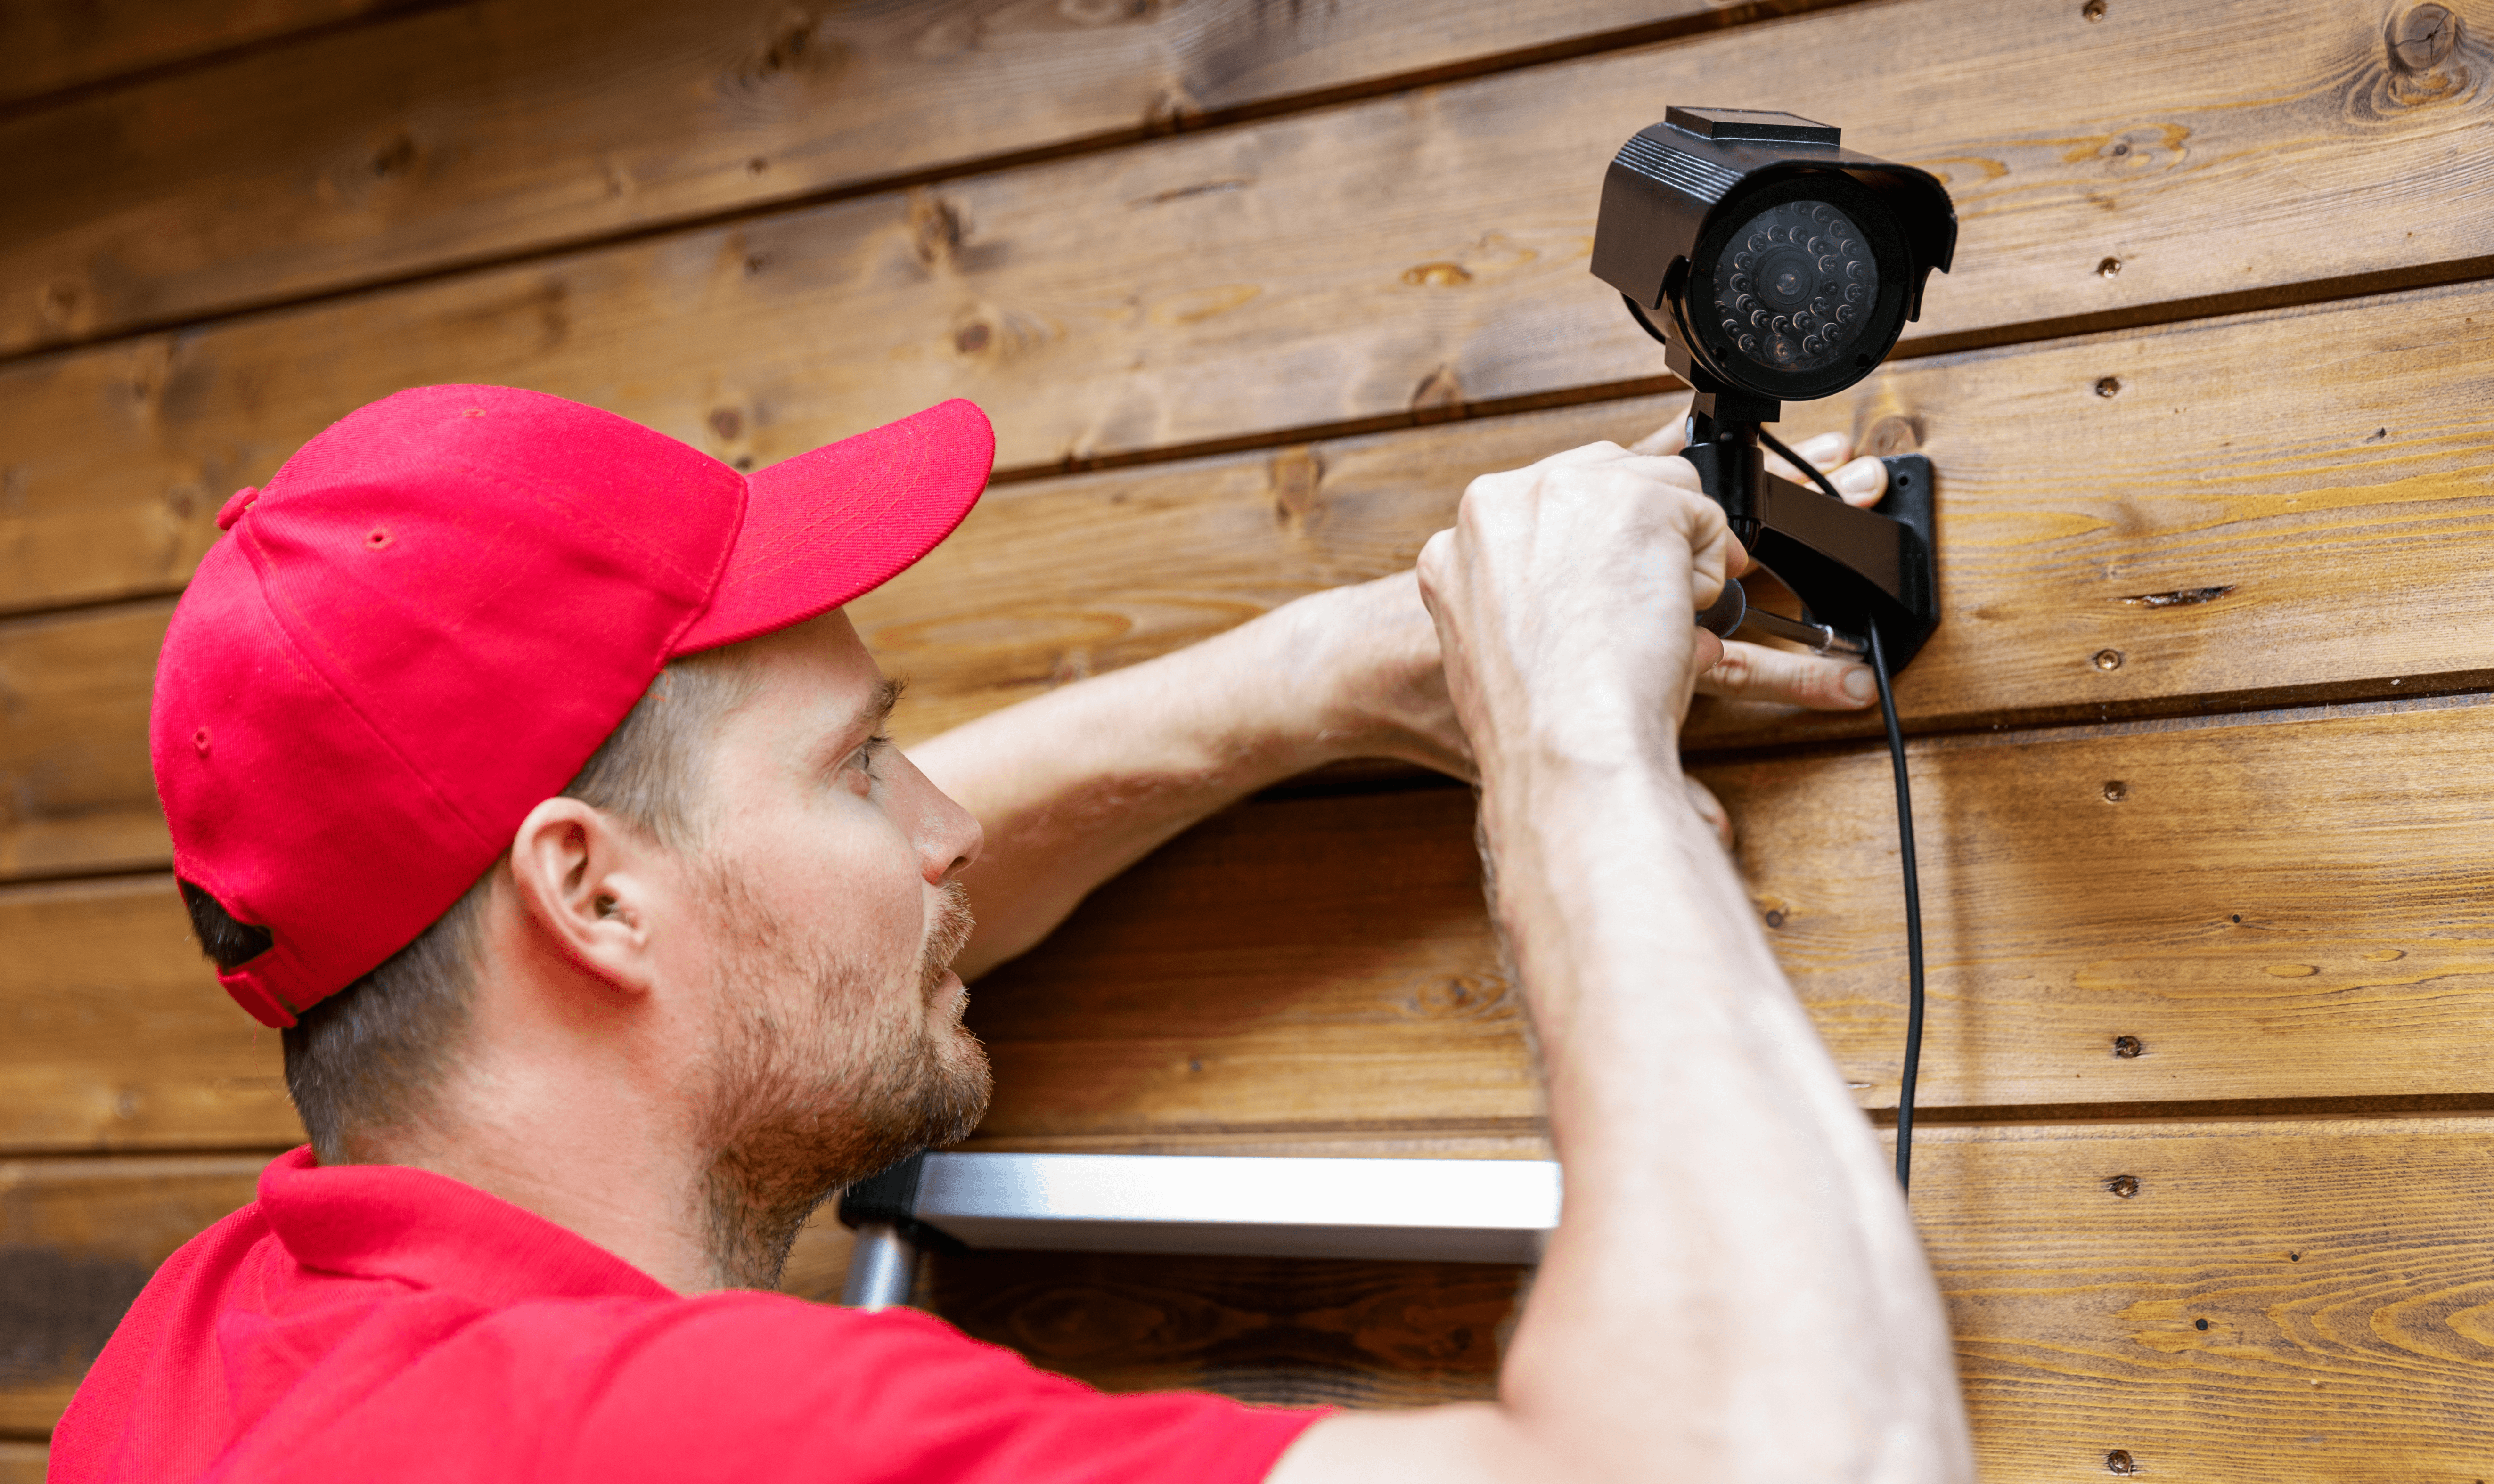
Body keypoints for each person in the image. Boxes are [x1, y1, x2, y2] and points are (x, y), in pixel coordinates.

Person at [53, 384, 1969, 1482]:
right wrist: (1567, 746)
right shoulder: (648, 1441)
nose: (950, 820)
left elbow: (734, 909)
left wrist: (1301, 681)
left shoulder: (218, 1355)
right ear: (584, 893)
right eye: (865, 762)